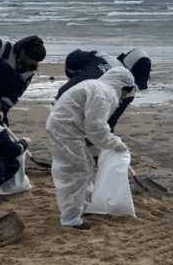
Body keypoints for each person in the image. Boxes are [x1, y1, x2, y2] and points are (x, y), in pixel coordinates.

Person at [45, 67, 135, 230]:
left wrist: (104, 146)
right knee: (76, 172)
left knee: (85, 165)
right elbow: (96, 127)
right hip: (65, 129)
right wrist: (114, 143)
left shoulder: (97, 86)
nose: (123, 98)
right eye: (125, 93)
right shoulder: (104, 93)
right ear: (123, 87)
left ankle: (84, 206)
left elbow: (90, 125)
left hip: (67, 126)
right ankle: (71, 218)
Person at [55, 47, 151, 131]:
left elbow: (73, 57)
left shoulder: (102, 57)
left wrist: (73, 77)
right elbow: (111, 121)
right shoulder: (130, 91)